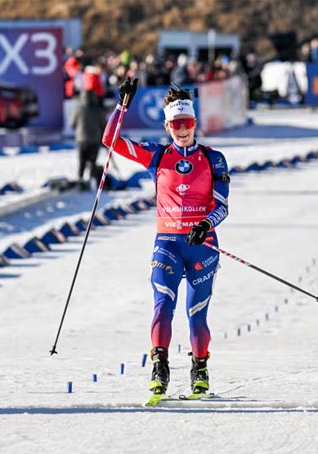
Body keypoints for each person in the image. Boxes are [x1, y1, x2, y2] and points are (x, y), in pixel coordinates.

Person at [102, 77, 231, 397]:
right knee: (162, 306)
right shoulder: (156, 156)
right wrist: (122, 106)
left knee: (196, 314)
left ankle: (200, 371)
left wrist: (205, 224)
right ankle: (159, 370)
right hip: (168, 244)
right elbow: (110, 140)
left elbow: (223, 206)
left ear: (195, 123)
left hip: (202, 247)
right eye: (175, 123)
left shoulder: (213, 159)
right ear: (167, 125)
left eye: (186, 122)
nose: (182, 129)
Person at [70, 82, 107, 189]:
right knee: (92, 162)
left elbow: (72, 124)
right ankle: (91, 182)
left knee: (82, 161)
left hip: (82, 140)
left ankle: (80, 181)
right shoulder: (98, 110)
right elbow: (104, 125)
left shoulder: (78, 109)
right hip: (95, 140)